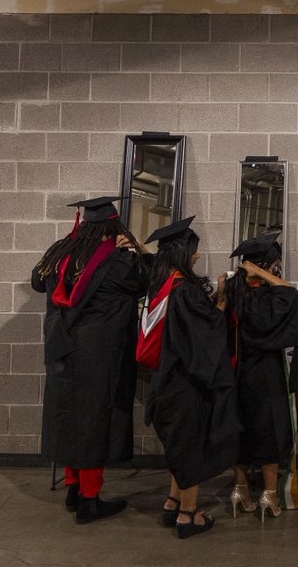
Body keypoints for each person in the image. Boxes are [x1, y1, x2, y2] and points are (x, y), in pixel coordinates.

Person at [31, 196, 148, 524]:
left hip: (61, 350)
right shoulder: (117, 262)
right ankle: (89, 501)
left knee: (69, 417)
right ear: (113, 226)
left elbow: (37, 282)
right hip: (100, 355)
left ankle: (72, 487)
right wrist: (138, 247)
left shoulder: (60, 252)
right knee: (95, 421)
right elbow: (147, 280)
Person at [139, 217, 240, 539]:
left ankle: (172, 502)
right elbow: (206, 332)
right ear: (183, 253)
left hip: (164, 380)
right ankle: (188, 514)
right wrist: (222, 300)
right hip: (185, 384)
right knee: (191, 446)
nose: (197, 257)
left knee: (178, 445)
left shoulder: (160, 287)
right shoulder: (184, 291)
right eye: (195, 252)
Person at [222, 232, 298, 522]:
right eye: (275, 264)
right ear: (266, 266)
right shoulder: (267, 296)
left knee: (241, 431)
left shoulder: (234, 292)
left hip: (236, 373)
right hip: (265, 373)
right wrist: (263, 273)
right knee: (270, 433)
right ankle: (269, 496)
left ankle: (239, 490)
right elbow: (291, 293)